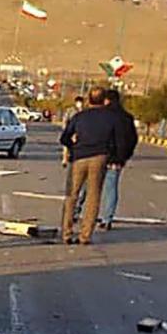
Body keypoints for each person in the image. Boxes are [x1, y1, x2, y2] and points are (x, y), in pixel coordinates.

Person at [60, 86, 119, 244]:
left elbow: (64, 137)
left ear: (89, 99)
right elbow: (116, 141)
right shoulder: (110, 118)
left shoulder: (80, 117)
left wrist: (73, 147)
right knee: (93, 197)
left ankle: (66, 233)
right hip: (99, 158)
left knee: (71, 196)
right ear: (104, 100)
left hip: (79, 157)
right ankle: (85, 235)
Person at [97, 88, 138, 230]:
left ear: (106, 100)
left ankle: (78, 213)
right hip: (116, 159)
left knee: (89, 187)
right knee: (111, 188)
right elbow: (133, 139)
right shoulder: (127, 117)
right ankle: (107, 219)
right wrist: (125, 156)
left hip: (98, 155)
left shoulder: (101, 115)